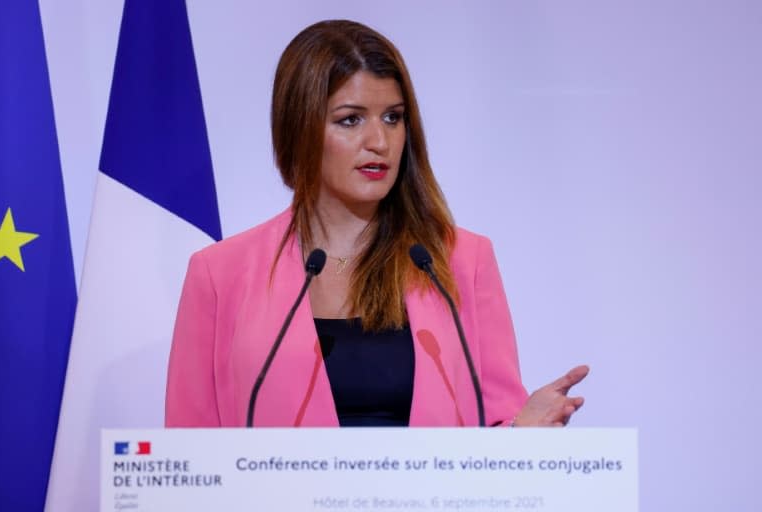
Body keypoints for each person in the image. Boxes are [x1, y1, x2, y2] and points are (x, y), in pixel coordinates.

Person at [165, 19, 588, 428]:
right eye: (351, 119)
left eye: (393, 117)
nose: (380, 142)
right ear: (299, 128)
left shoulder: (460, 261)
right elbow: (187, 450)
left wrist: (521, 432)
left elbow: (493, 434)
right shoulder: (219, 273)